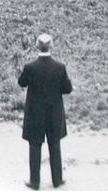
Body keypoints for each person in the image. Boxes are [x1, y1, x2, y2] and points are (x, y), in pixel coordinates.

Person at [19, 34, 72, 190]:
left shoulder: (30, 67)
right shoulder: (60, 67)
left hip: (35, 113)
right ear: (51, 46)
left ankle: (34, 181)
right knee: (55, 145)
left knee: (34, 146)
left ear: (37, 46)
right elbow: (67, 89)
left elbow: (21, 82)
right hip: (54, 113)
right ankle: (57, 179)